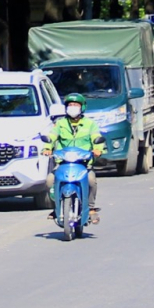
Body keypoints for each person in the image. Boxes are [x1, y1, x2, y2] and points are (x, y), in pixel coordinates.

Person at [44, 92, 105, 223]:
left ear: (82, 107)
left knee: (91, 180)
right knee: (50, 180)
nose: (72, 107)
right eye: (70, 105)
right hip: (63, 162)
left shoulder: (90, 124)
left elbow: (96, 137)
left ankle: (91, 207)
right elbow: (52, 136)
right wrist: (47, 148)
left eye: (75, 105)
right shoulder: (60, 124)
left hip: (83, 163)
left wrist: (98, 149)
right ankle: (57, 207)